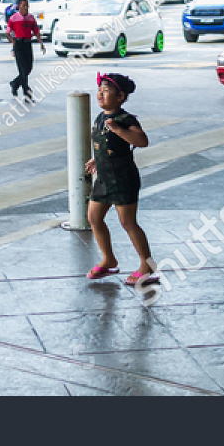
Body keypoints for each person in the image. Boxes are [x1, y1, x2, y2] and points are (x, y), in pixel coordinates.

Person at [84, 72, 156, 286]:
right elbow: (106, 143)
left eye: (106, 91)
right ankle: (108, 260)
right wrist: (96, 159)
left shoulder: (125, 119)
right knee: (94, 218)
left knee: (128, 222)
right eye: (99, 90)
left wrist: (118, 129)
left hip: (123, 178)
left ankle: (147, 264)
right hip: (104, 178)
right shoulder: (100, 117)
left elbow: (142, 141)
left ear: (120, 96)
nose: (100, 94)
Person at [6, 0, 45, 99]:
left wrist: (41, 43)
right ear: (19, 6)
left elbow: (36, 31)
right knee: (22, 69)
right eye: (24, 5)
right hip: (18, 45)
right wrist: (13, 41)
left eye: (27, 5)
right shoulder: (14, 18)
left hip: (28, 44)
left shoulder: (31, 18)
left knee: (28, 68)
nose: (26, 8)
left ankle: (15, 83)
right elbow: (8, 32)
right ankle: (27, 92)